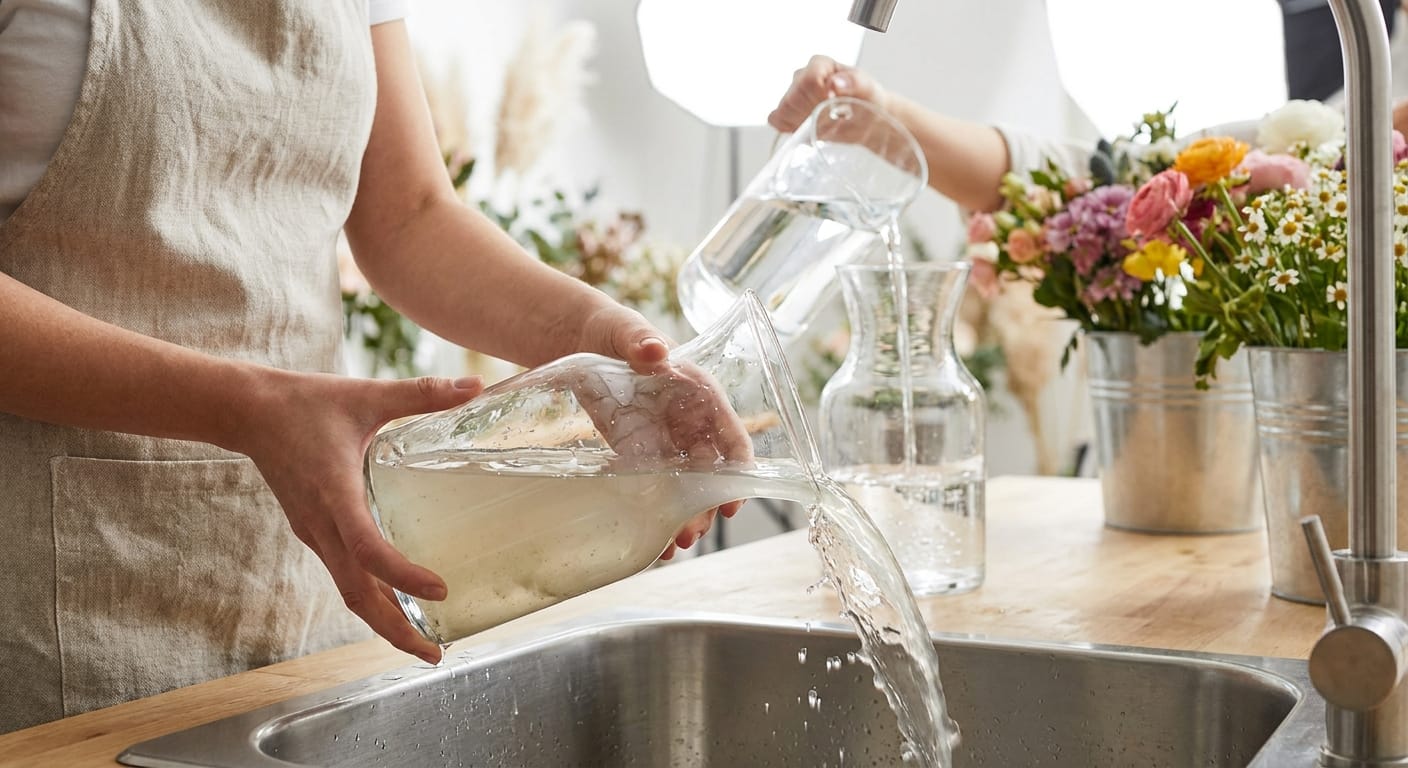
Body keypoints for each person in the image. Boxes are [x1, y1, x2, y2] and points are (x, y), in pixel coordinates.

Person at [0, 0, 740, 734]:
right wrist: (244, 406)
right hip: (53, 598)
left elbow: (410, 215)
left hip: (308, 576)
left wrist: (594, 333)